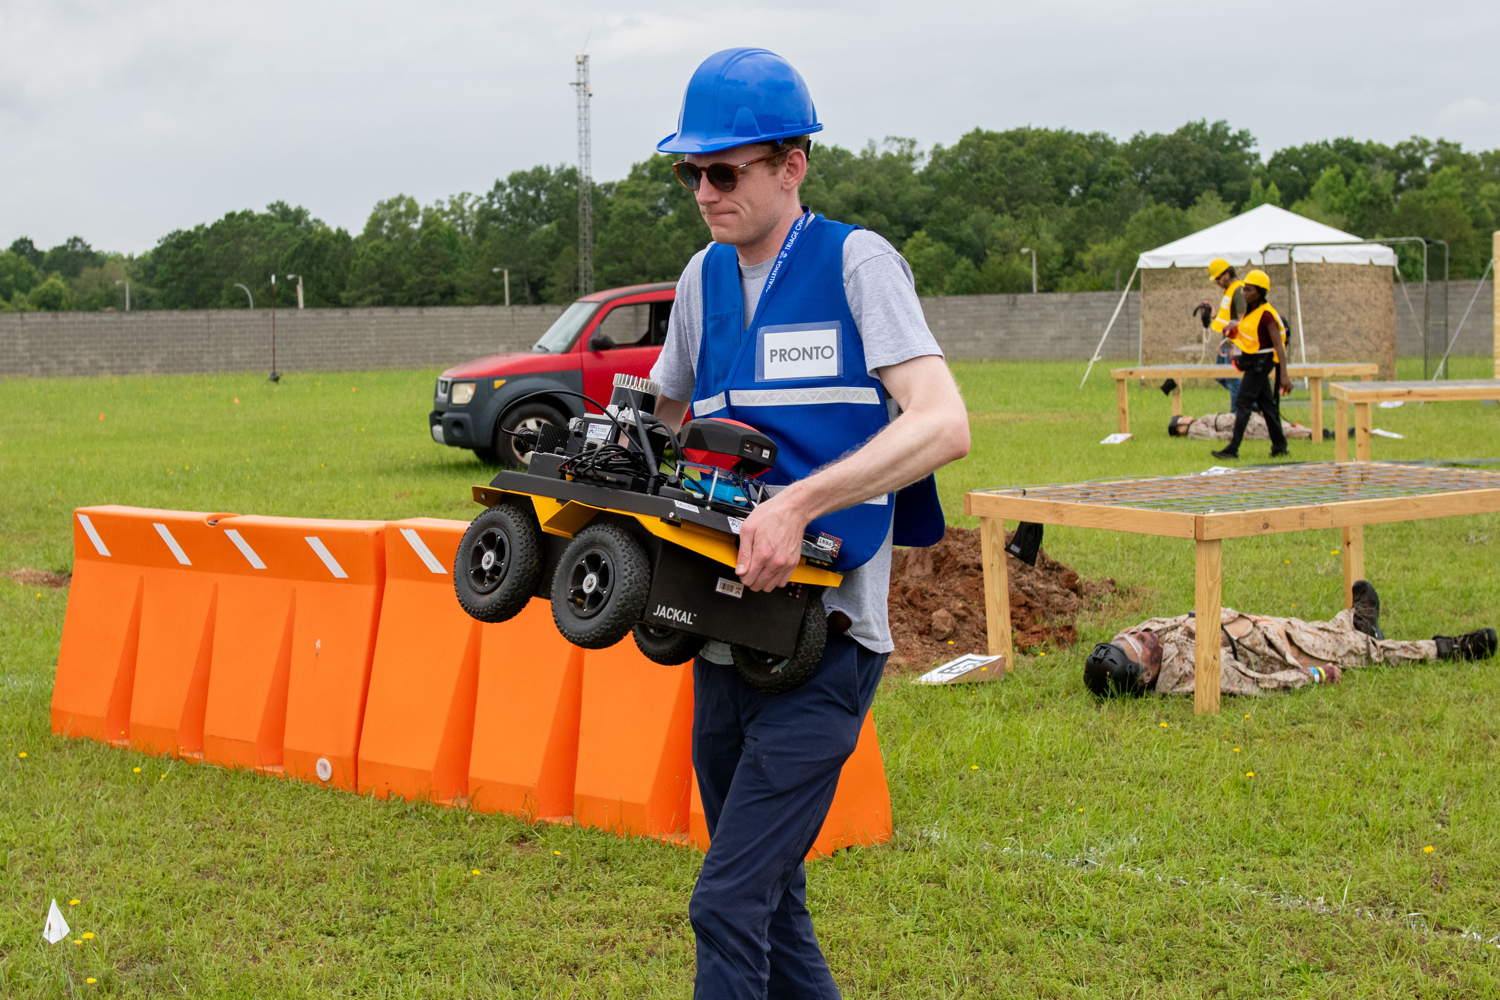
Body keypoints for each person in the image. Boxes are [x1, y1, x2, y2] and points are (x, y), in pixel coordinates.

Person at [648, 47, 970, 999]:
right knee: (772, 900)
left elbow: (943, 422)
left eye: (725, 170)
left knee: (725, 902)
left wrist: (799, 501)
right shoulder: (701, 280)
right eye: (690, 173)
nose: (705, 192)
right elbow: (662, 426)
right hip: (720, 643)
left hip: (822, 649)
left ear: (793, 165)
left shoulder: (856, 262)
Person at [1084, 580, 1497, 698]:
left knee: (1327, 631)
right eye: (1141, 644)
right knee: (1363, 653)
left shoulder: (1142, 639)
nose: (1143, 634)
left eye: (1131, 636)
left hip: (1258, 624)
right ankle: (1450, 649)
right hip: (1275, 651)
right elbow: (1256, 683)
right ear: (1145, 675)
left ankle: (1355, 621)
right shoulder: (1192, 675)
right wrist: (1314, 675)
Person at [1211, 269, 1292, 461]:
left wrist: (1284, 376)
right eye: (1245, 289)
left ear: (1261, 292)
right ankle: (1280, 447)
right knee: (1268, 406)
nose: (1245, 293)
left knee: (1243, 403)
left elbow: (1279, 346)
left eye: (1249, 290)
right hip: (1254, 361)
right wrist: (1234, 331)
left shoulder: (1266, 315)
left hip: (1261, 363)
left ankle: (1233, 449)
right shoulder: (1251, 312)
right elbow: (1250, 334)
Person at [1202, 258, 1246, 409]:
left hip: (1235, 344)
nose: (1218, 282)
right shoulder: (1229, 291)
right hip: (1226, 342)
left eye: (1219, 278)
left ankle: (1236, 415)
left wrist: (1237, 344)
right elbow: (1226, 318)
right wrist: (1212, 313)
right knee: (1220, 376)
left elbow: (1243, 318)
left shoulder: (1239, 289)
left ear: (1228, 273)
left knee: (1233, 381)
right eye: (1216, 280)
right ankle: (1251, 402)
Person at [1167, 412, 1314, 441]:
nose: (1186, 417)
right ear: (1180, 428)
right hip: (1244, 426)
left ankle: (1314, 433)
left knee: (1283, 426)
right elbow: (1215, 436)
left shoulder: (1196, 423)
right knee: (1281, 430)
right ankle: (1313, 435)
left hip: (1245, 420)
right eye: (1182, 419)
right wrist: (1238, 434)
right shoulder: (1194, 430)